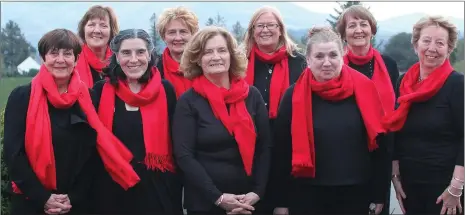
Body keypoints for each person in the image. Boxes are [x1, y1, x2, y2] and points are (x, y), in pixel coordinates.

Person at [3, 29, 138, 214]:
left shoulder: (89, 98)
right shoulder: (21, 97)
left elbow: (93, 152)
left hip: (77, 203)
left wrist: (73, 197)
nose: (60, 59)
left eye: (67, 54)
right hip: (31, 201)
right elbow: (13, 153)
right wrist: (44, 198)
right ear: (43, 58)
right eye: (54, 53)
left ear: (75, 60)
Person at [272, 27, 390, 215]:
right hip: (306, 195)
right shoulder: (293, 96)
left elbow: (380, 147)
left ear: (343, 55)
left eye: (333, 55)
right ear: (308, 60)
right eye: (319, 56)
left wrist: (379, 195)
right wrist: (280, 201)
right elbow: (280, 152)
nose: (327, 62)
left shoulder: (365, 89)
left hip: (356, 194)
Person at [172, 26, 272, 215]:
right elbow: (184, 155)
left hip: (250, 202)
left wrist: (257, 192)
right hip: (206, 203)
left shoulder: (252, 96)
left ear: (231, 56)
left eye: (222, 50)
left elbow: (265, 147)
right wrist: (218, 198)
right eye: (208, 52)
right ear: (198, 59)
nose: (216, 57)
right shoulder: (188, 101)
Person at [90, 29, 182, 215]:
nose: (133, 59)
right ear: (116, 56)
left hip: (158, 190)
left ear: (149, 55)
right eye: (126, 53)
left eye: (140, 52)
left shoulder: (166, 90)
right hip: (112, 187)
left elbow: (177, 141)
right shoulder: (100, 92)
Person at [385, 16, 464, 215]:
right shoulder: (404, 81)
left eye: (440, 43)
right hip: (410, 184)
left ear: (449, 48)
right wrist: (395, 175)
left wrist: (456, 188)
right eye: (426, 41)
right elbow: (396, 128)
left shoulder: (457, 84)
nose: (432, 48)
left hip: (445, 186)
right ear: (416, 44)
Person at [241, 6, 307, 213]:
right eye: (260, 26)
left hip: (289, 139)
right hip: (250, 141)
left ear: (281, 29)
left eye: (271, 25)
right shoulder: (239, 61)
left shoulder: (299, 61)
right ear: (252, 31)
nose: (265, 30)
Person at [335, 5, 399, 214]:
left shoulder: (389, 65)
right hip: (345, 156)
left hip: (380, 155)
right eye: (352, 25)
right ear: (344, 34)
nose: (359, 30)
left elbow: (396, 111)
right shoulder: (335, 67)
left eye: (364, 24)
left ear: (372, 29)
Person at [156, 6, 199, 98]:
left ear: (193, 35)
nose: (178, 38)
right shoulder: (153, 69)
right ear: (164, 36)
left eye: (183, 32)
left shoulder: (204, 66)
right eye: (172, 32)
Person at [75, 5, 119, 87]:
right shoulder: (72, 60)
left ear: (111, 31)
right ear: (83, 29)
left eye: (103, 26)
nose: (97, 30)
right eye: (91, 25)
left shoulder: (120, 61)